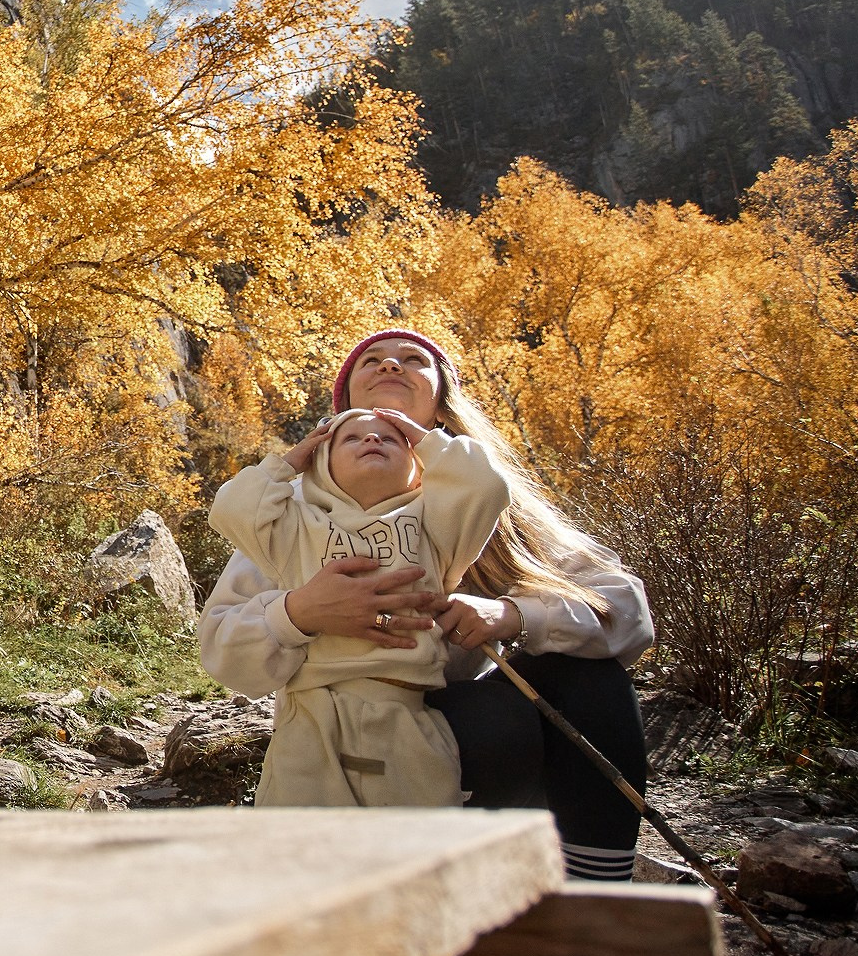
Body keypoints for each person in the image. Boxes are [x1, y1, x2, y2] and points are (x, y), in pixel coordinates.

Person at [197, 329, 655, 881]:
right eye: (371, 361)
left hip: (467, 718)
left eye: (414, 360)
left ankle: (595, 895)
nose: (391, 364)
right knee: (493, 723)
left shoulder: (487, 507)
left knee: (587, 685)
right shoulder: (293, 520)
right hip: (363, 724)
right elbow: (223, 647)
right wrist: (298, 612)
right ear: (335, 423)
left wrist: (513, 616)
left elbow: (625, 612)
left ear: (441, 404)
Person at [205, 407, 509, 807]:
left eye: (391, 438)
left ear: (418, 470)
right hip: (311, 717)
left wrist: (425, 438)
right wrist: (287, 464)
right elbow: (230, 510)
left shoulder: (435, 528)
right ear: (321, 465)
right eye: (352, 438)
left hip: (407, 719)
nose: (372, 439)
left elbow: (485, 486)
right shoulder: (294, 526)